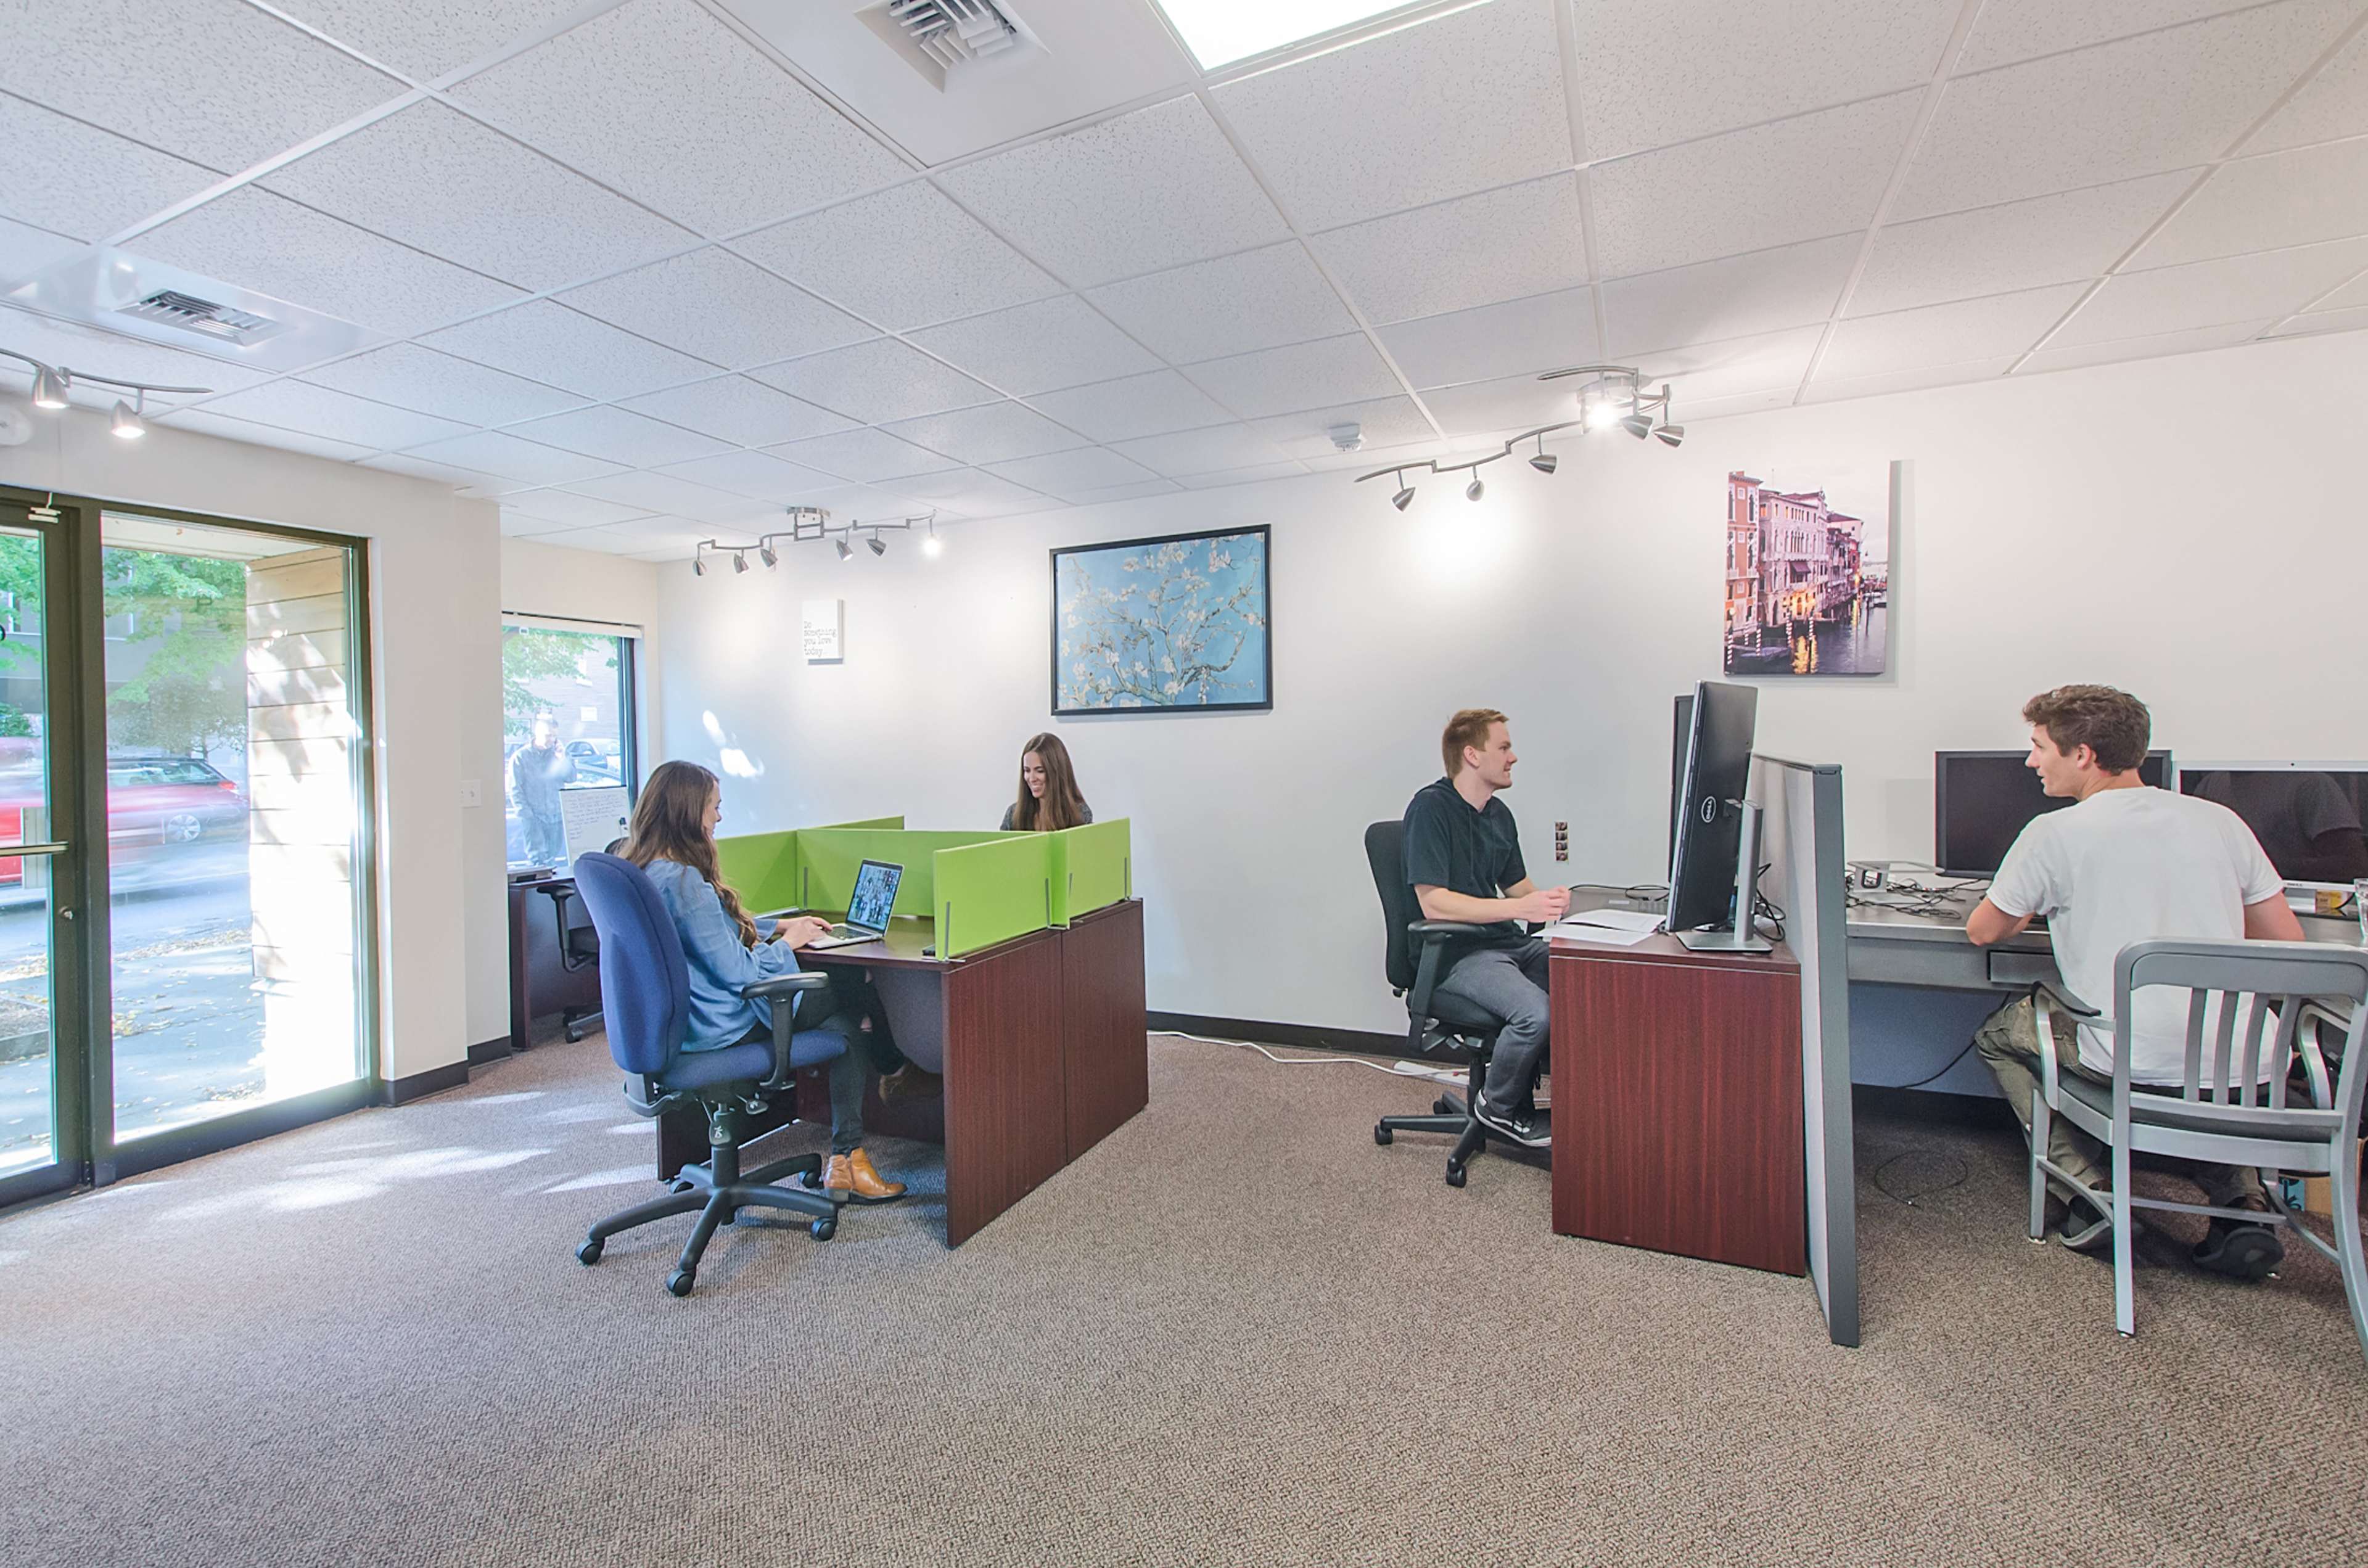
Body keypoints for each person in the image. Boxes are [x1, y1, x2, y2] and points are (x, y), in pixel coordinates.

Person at [1968, 684, 2305, 1279]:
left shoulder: (2056, 834)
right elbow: (2287, 943)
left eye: (2040, 747)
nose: (2030, 762)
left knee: (1999, 1034)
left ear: (2084, 755)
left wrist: (2030, 904)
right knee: (2206, 1066)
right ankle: (2243, 1208)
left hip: (2128, 1056)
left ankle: (2088, 1193)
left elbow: (1983, 931)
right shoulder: (2221, 822)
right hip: (2246, 1061)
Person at [620, 760, 909, 1202]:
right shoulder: (686, 882)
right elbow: (739, 971)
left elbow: (709, 935)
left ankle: (852, 1154)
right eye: (714, 807)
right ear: (687, 811)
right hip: (724, 1021)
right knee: (851, 990)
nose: (719, 817)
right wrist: (790, 942)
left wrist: (775, 925)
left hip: (683, 1024)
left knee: (847, 1023)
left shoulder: (643, 873)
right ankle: (886, 1090)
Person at [1402, 708, 1569, 1147]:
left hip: (1505, 943)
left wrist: (1550, 904)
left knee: (1587, 977)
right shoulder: (1430, 809)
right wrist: (1517, 907)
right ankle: (1497, 1109)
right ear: (1473, 755)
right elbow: (1434, 903)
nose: (1513, 757)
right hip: (1456, 955)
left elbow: (1519, 890)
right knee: (1535, 1013)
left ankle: (1585, 1106)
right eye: (1505, 747)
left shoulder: (1499, 816)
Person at [509, 713, 576, 866]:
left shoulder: (560, 755)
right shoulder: (521, 757)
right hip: (534, 817)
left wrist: (562, 759)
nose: (551, 740)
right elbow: (515, 790)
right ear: (537, 734)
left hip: (556, 816)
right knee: (537, 859)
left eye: (554, 736)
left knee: (552, 859)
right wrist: (527, 816)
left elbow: (572, 777)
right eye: (548, 735)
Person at [1001, 732, 1093, 831]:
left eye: (1040, 771)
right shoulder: (1013, 814)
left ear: (1056, 772)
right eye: (1027, 771)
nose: (1032, 779)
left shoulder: (1079, 813)